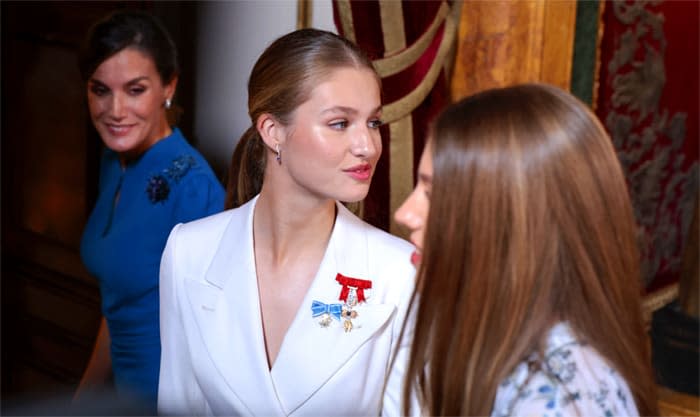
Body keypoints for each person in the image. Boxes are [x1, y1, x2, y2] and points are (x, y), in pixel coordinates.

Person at [157, 28, 415, 416]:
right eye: (341, 123)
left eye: (374, 122)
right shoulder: (188, 252)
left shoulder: (400, 272)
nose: (368, 146)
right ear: (273, 131)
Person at [393, 83, 659, 416]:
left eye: (432, 195)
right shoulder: (506, 347)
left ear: (509, 221)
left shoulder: (552, 399)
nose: (404, 214)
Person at [76, 9, 225, 413]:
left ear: (168, 87)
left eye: (135, 89)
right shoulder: (114, 160)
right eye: (100, 89)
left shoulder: (194, 187)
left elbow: (220, 337)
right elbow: (118, 302)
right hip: (121, 396)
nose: (116, 110)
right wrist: (83, 397)